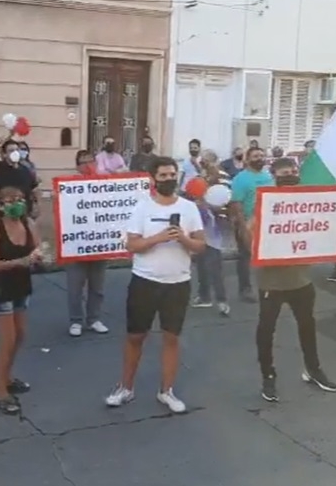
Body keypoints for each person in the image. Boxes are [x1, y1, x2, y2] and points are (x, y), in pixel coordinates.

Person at [105, 156, 205, 414]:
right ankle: (125, 388)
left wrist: (183, 238)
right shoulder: (142, 208)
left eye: (172, 175)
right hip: (145, 281)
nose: (169, 179)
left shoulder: (189, 208)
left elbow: (200, 245)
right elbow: (132, 245)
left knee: (171, 338)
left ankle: (166, 391)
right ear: (153, 179)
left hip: (178, 283)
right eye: (163, 176)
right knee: (135, 337)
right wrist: (158, 238)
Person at [248, 157, 336, 402]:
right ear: (274, 176)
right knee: (266, 330)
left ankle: (313, 369)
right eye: (283, 172)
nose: (289, 175)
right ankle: (268, 376)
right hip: (272, 281)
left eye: (292, 171)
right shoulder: (266, 201)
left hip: (301, 279)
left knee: (307, 326)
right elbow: (250, 230)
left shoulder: (307, 200)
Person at [0, 186, 42, 415]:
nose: (16, 204)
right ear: (0, 206)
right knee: (7, 340)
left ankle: (7, 377)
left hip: (22, 286)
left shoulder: (29, 224)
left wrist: (41, 257)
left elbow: (38, 250)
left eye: (19, 199)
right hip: (2, 288)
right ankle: (0, 392)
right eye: (10, 200)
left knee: (20, 336)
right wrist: (21, 262)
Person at [67, 150, 110, 337]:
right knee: (75, 286)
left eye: (91, 161)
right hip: (77, 244)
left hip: (99, 242)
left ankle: (94, 319)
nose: (88, 165)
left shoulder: (105, 185)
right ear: (77, 166)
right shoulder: (69, 186)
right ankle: (76, 320)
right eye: (83, 162)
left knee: (97, 286)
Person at [229, 147, 273, 303]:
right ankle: (245, 289)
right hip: (247, 223)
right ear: (247, 160)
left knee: (267, 257)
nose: (259, 158)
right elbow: (236, 205)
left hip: (267, 224)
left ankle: (268, 286)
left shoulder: (268, 176)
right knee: (245, 257)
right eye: (255, 156)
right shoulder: (240, 179)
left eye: (261, 155)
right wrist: (242, 228)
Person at [192, 150, 230, 315]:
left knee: (214, 265)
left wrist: (212, 208)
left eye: (206, 160)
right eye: (202, 160)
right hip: (201, 225)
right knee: (201, 263)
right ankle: (204, 296)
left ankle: (222, 300)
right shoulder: (202, 176)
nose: (203, 163)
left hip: (215, 227)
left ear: (214, 161)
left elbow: (225, 200)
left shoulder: (223, 177)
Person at [0, 137, 39, 217]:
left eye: (17, 150)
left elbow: (34, 189)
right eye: (11, 151)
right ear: (4, 154)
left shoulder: (26, 169)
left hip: (23, 214)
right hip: (1, 213)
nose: (15, 153)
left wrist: (36, 206)